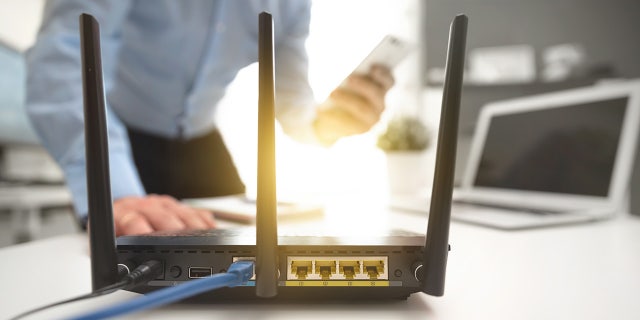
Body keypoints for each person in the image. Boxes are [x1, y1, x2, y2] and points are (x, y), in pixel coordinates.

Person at [26, 0, 395, 236]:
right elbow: (65, 60)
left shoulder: (293, 5)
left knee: (244, 255)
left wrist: (336, 121)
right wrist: (116, 193)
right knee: (121, 271)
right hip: (120, 141)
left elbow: (294, 109)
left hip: (202, 143)